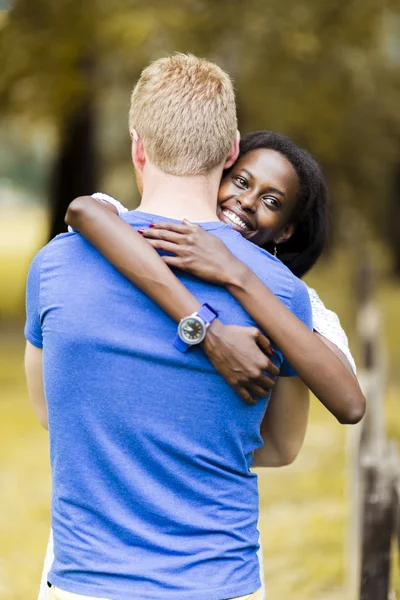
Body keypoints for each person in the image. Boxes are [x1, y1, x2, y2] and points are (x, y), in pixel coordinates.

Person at [24, 54, 361, 600]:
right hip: (217, 582)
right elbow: (280, 446)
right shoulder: (282, 293)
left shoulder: (57, 265)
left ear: (138, 146)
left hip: (85, 582)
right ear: (230, 151)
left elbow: (49, 411)